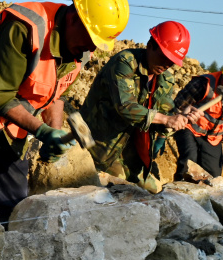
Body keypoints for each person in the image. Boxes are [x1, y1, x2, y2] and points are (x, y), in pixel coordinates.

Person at [0, 0, 129, 221]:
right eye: (91, 36)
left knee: (13, 191)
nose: (92, 46)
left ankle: (0, 227)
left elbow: (55, 96)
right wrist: (41, 130)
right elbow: (1, 97)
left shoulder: (79, 50)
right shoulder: (25, 27)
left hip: (9, 101)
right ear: (74, 19)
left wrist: (55, 134)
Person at [80, 21, 193, 184]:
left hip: (132, 147)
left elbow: (165, 115)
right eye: (164, 56)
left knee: (152, 192)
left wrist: (181, 117)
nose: (166, 65)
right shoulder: (125, 62)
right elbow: (125, 107)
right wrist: (165, 119)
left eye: (172, 61)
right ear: (150, 45)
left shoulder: (165, 79)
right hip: (100, 142)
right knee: (117, 191)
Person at [173, 49, 223, 181]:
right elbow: (175, 108)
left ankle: (203, 200)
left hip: (213, 138)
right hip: (190, 129)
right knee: (188, 162)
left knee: (212, 176)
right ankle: (179, 196)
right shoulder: (203, 84)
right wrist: (184, 114)